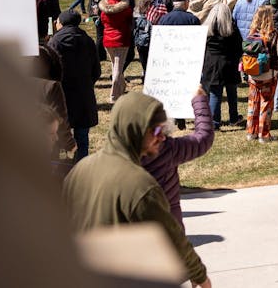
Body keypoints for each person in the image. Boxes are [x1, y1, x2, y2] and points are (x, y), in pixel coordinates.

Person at [63, 92, 211, 288]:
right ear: (137, 130)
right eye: (157, 132)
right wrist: (199, 275)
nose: (162, 138)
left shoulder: (80, 170)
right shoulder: (141, 186)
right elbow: (170, 236)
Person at [141, 87, 214, 228]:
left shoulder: (112, 159)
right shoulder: (167, 149)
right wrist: (199, 100)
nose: (160, 136)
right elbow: (204, 138)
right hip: (168, 231)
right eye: (156, 130)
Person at [48, 9, 100, 162]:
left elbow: (50, 71)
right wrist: (87, 84)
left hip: (61, 96)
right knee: (82, 136)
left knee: (56, 135)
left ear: (61, 23)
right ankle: (81, 166)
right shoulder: (88, 41)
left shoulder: (55, 42)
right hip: (83, 95)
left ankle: (55, 166)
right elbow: (96, 70)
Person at [201, 0, 243, 129]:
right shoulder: (232, 30)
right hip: (229, 64)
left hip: (212, 64)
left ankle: (215, 121)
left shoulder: (207, 31)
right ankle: (233, 117)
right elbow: (239, 47)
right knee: (232, 92)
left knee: (215, 93)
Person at [244, 6, 278, 142]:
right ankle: (263, 134)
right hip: (268, 73)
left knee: (253, 102)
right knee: (266, 103)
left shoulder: (251, 34)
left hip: (252, 72)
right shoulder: (272, 34)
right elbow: (277, 54)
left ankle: (251, 132)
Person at [100, 0, 133, 103]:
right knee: (118, 68)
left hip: (107, 40)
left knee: (115, 65)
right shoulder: (126, 9)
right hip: (121, 40)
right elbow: (130, 23)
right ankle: (114, 96)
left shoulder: (104, 9)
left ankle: (122, 86)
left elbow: (103, 22)